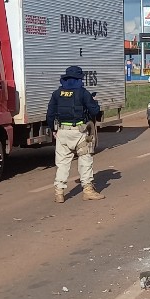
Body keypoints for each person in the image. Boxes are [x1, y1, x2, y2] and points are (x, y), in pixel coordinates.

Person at [46, 65, 104, 203]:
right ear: (79, 78)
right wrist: (95, 104)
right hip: (80, 132)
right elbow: (95, 111)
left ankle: (59, 193)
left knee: (62, 163)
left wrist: (53, 130)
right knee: (85, 160)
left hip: (62, 132)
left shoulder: (57, 93)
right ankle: (88, 190)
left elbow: (49, 114)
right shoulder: (83, 93)